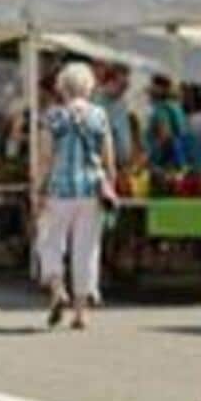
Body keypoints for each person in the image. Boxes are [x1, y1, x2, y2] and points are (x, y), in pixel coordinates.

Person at [32, 63, 115, 331]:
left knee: (50, 240)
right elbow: (108, 157)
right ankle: (81, 312)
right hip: (91, 189)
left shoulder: (53, 116)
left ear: (62, 88)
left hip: (60, 189)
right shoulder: (99, 115)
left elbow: (45, 157)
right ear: (88, 87)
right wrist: (110, 184)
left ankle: (57, 289)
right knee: (87, 248)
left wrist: (38, 189)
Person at [144, 74, 192, 171]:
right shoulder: (176, 107)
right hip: (181, 160)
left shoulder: (161, 109)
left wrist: (148, 158)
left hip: (164, 165)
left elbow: (165, 136)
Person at [94, 65, 138, 171]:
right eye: (122, 86)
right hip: (105, 165)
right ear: (110, 82)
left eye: (126, 87)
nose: (124, 91)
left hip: (121, 165)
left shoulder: (121, 102)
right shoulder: (98, 103)